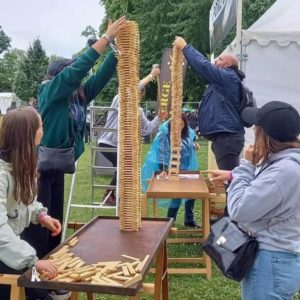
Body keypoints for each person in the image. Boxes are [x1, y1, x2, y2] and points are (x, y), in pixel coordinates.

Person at [20, 16, 126, 260]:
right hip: (38, 169)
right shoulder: (51, 91)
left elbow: (98, 79)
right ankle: (35, 281)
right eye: (72, 75)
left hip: (57, 166)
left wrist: (116, 50)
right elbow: (75, 73)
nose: (79, 79)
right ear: (60, 76)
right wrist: (105, 38)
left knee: (54, 221)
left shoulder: (77, 97)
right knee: (39, 224)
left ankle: (52, 268)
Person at [203, 101, 300, 299]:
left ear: (264, 135)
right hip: (282, 257)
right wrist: (233, 175)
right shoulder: (288, 163)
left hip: (271, 262)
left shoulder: (283, 171)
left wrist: (245, 166)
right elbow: (270, 190)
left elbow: (239, 209)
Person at [0, 107, 61, 300]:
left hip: (10, 250)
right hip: (5, 253)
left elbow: (26, 201)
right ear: (28, 134)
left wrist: (41, 216)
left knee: (39, 292)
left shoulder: (19, 163)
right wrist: (32, 261)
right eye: (40, 127)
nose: (43, 130)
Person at [97, 66, 167, 206]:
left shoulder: (139, 111)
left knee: (124, 169)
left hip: (122, 147)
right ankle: (111, 195)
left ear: (141, 96)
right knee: (124, 168)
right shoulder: (119, 99)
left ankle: (114, 195)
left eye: (139, 93)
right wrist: (151, 76)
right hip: (108, 143)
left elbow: (147, 129)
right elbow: (129, 92)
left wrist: (159, 118)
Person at [173, 37, 245, 171]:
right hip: (224, 138)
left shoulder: (228, 77)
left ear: (228, 66)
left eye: (220, 59)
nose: (216, 61)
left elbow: (204, 66)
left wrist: (185, 47)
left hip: (227, 138)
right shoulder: (220, 83)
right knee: (229, 178)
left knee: (231, 180)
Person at [142, 113, 200, 228]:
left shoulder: (185, 135)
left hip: (186, 170)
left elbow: (186, 145)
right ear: (170, 123)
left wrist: (194, 145)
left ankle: (189, 219)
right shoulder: (164, 136)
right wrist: (162, 170)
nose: (179, 126)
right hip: (171, 171)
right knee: (176, 196)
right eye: (176, 123)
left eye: (182, 123)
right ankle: (169, 221)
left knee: (192, 193)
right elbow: (159, 153)